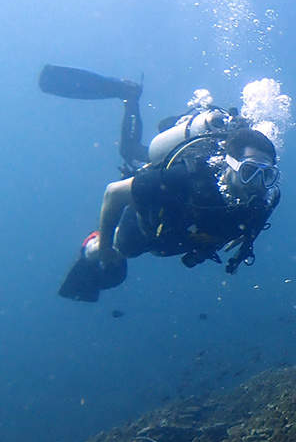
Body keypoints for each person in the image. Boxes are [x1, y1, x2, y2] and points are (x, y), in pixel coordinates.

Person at [41, 66, 282, 302]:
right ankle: (129, 96)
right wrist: (104, 248)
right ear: (229, 164)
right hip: (148, 222)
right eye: (249, 172)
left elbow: (259, 214)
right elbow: (113, 193)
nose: (258, 184)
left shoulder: (263, 199)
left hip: (177, 235)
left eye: (267, 175)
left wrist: (246, 234)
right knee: (123, 246)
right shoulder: (188, 177)